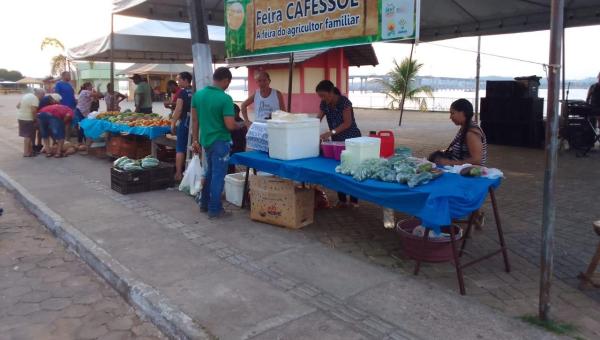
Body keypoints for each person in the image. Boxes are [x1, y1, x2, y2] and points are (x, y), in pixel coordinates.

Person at [191, 67, 239, 219]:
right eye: (228, 83)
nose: (228, 86)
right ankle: (215, 209)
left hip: (206, 141)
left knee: (210, 173)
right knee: (218, 176)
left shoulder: (198, 95)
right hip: (220, 142)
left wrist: (195, 140)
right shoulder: (225, 98)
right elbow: (230, 125)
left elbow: (194, 120)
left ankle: (204, 204)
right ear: (225, 80)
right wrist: (241, 125)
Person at [316, 80, 362, 208]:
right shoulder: (324, 104)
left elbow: (347, 123)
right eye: (320, 96)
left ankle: (354, 200)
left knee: (351, 169)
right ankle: (342, 199)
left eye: (324, 95)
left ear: (331, 92)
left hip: (352, 139)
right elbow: (317, 119)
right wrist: (308, 127)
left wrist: (330, 133)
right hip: (336, 142)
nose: (323, 99)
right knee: (337, 169)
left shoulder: (344, 102)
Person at [428, 99, 487, 166]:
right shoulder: (465, 127)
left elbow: (477, 160)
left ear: (462, 113)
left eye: (452, 113)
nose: (450, 117)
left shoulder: (471, 133)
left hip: (468, 172)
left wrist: (449, 162)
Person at [170, 72, 194, 181]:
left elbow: (178, 109)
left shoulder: (182, 93)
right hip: (196, 123)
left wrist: (173, 123)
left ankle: (178, 174)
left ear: (185, 80)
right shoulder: (196, 91)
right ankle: (192, 173)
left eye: (179, 80)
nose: (178, 82)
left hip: (185, 122)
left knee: (180, 148)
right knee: (195, 147)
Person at [16, 88, 44, 157]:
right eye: (43, 95)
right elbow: (33, 111)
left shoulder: (27, 95)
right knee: (28, 136)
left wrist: (24, 110)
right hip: (27, 118)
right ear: (40, 94)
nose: (42, 97)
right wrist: (35, 119)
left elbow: (18, 106)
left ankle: (30, 151)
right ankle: (26, 153)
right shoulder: (35, 99)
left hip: (20, 117)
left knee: (27, 135)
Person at [54, 71, 77, 140]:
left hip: (71, 106)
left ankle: (67, 138)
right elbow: (56, 96)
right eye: (68, 75)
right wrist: (59, 106)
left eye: (69, 75)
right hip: (63, 107)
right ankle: (61, 138)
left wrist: (75, 102)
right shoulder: (58, 84)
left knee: (69, 123)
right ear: (63, 76)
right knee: (63, 123)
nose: (70, 77)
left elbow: (72, 95)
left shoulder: (69, 85)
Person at [228, 104, 248, 174]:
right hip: (235, 148)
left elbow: (239, 141)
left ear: (237, 112)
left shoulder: (239, 124)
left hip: (237, 148)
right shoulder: (236, 122)